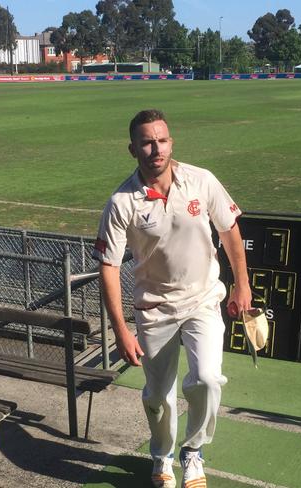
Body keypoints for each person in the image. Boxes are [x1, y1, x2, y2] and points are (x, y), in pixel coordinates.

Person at [93, 109, 251, 488]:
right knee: (158, 397)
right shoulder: (121, 202)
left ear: (171, 143)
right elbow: (109, 268)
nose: (155, 149)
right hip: (154, 309)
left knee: (209, 380)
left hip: (203, 300)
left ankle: (193, 452)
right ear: (133, 149)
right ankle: (161, 455)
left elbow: (229, 232)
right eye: (146, 142)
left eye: (161, 140)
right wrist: (121, 330)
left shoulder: (202, 180)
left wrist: (242, 284)